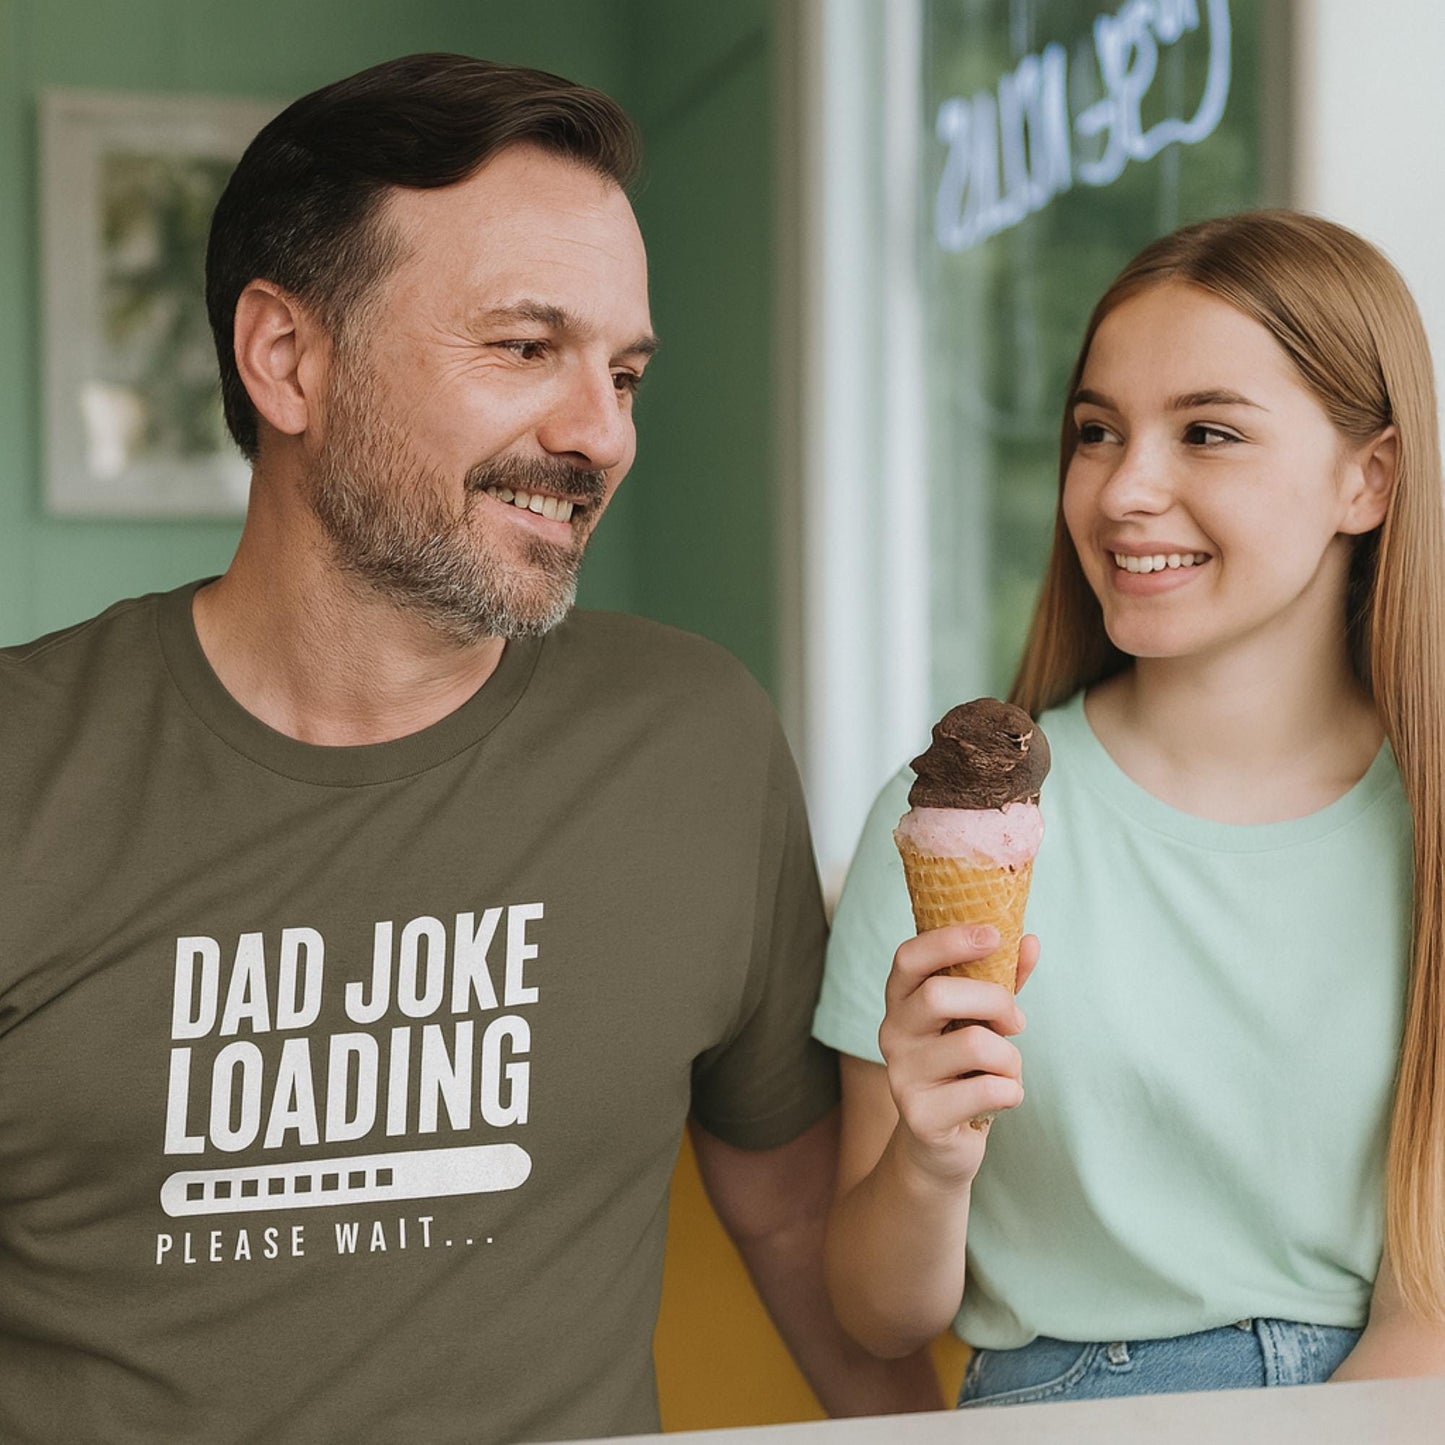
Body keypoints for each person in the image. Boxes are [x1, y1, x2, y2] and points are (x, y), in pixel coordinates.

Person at [0, 54, 937, 1444]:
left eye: (624, 371)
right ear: (286, 358)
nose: (599, 434)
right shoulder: (28, 763)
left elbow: (798, 1226)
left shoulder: (690, 738)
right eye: (522, 347)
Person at [813, 210, 1445, 1405]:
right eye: (1095, 431)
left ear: (1366, 477)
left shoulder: (1435, 829)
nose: (1121, 490)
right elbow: (878, 1310)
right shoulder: (941, 818)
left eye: (1206, 432)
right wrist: (930, 1158)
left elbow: (1431, 1324)